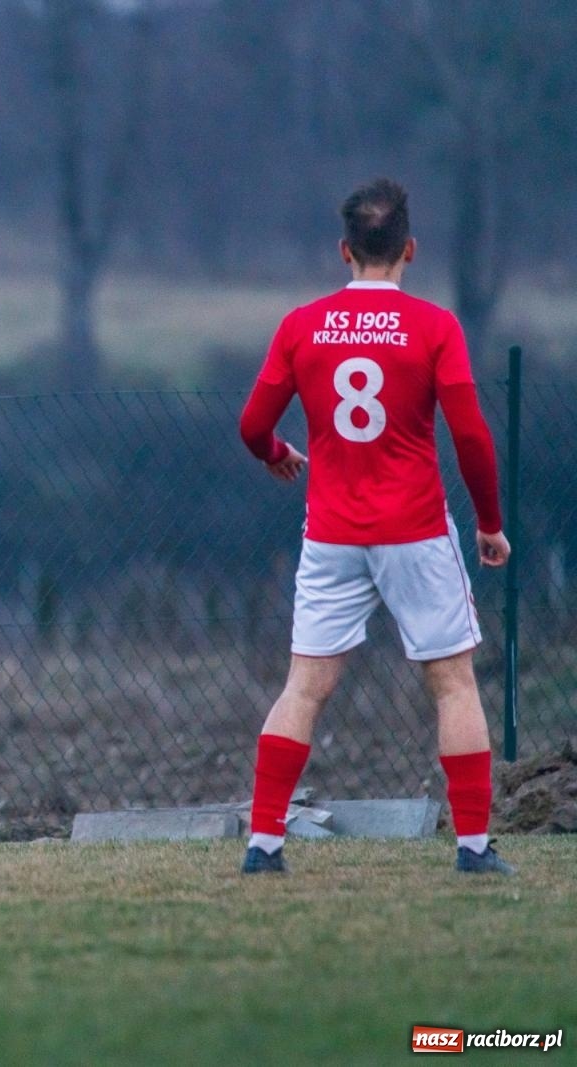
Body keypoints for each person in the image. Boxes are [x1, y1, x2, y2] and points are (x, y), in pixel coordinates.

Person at [237, 178, 512, 875]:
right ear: (410, 250)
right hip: (416, 533)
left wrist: (277, 455)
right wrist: (489, 522)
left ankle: (264, 843)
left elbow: (252, 425)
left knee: (303, 687)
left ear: (345, 251)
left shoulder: (302, 325)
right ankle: (474, 848)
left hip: (331, 535)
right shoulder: (434, 327)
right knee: (452, 683)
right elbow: (473, 436)